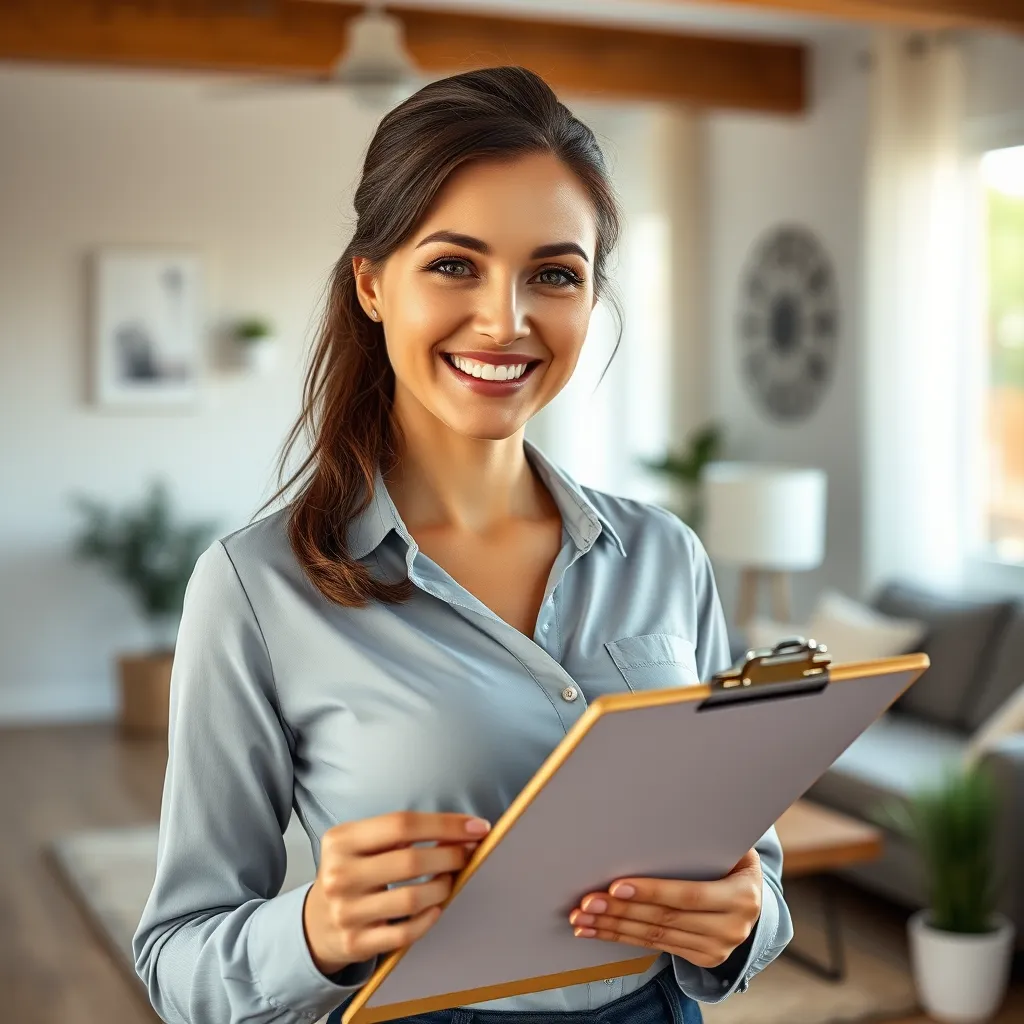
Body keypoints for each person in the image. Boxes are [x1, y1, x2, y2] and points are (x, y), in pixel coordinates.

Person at [132, 64, 793, 1024]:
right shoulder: (255, 588)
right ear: (371, 283)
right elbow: (176, 961)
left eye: (554, 274)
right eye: (454, 264)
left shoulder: (665, 555)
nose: (506, 319)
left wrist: (741, 918)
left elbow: (751, 868)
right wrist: (314, 928)